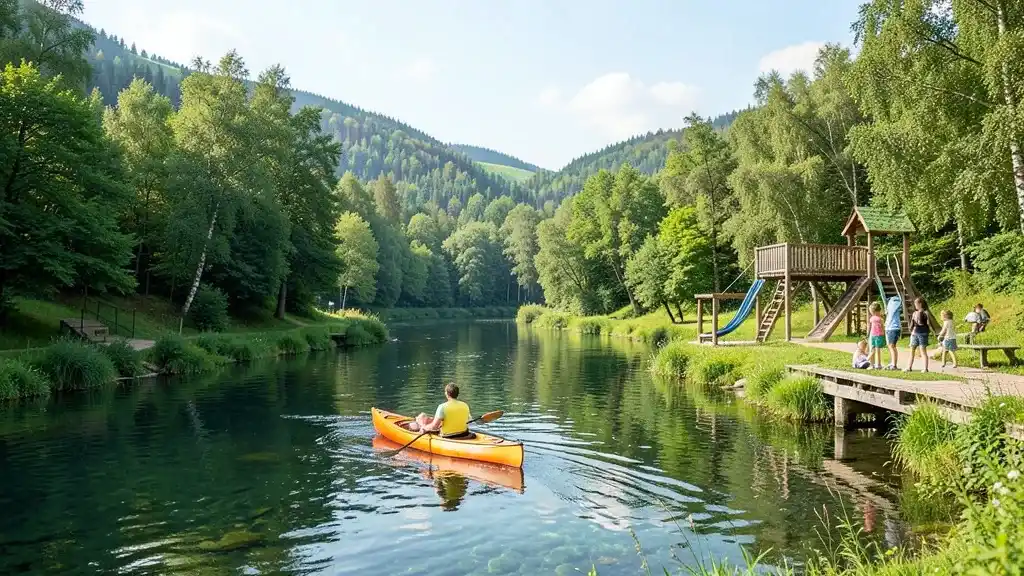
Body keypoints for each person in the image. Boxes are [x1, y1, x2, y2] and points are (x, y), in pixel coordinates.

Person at [406, 383, 472, 438]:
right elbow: (468, 420)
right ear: (458, 394)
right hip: (464, 434)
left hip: (448, 436)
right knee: (426, 418)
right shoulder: (465, 405)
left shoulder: (442, 407)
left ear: (446, 394)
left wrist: (423, 426)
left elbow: (434, 427)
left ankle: (419, 424)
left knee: (420, 421)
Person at [906, 297, 931, 373]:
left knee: (922, 351)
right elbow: (912, 324)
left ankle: (925, 368)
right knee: (913, 350)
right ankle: (909, 367)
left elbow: (925, 323)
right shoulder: (917, 313)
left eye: (916, 304)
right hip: (915, 333)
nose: (915, 305)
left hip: (921, 333)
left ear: (920, 304)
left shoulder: (924, 313)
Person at [884, 295, 902, 370]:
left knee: (892, 346)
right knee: (890, 346)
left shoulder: (895, 302)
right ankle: (892, 363)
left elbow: (895, 304)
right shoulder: (891, 306)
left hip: (893, 328)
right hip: (889, 328)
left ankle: (894, 365)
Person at [867, 301, 885, 369]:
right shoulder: (881, 319)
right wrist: (883, 335)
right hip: (878, 336)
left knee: (872, 350)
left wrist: (868, 335)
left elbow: (869, 327)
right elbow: (883, 328)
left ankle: (872, 364)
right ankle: (878, 364)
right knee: (877, 350)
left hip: (873, 336)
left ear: (873, 311)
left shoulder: (872, 318)